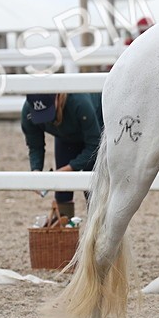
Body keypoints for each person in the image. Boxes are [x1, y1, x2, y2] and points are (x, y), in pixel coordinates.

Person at [21, 92, 103, 221]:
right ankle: (64, 232)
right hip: (65, 136)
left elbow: (94, 144)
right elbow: (35, 146)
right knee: (62, 190)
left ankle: (100, 229)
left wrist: (66, 170)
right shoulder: (28, 112)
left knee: (93, 188)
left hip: (96, 127)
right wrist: (36, 171)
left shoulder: (79, 102)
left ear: (58, 97)